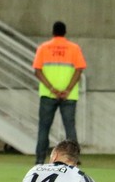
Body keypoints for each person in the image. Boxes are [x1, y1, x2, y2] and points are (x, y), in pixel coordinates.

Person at [33, 20, 85, 163]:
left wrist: (52, 89)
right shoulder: (74, 48)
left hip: (48, 94)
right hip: (69, 95)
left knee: (44, 128)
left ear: (53, 32)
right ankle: (74, 160)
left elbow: (37, 71)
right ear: (65, 32)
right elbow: (79, 70)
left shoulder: (44, 48)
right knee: (70, 128)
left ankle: (39, 160)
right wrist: (67, 89)